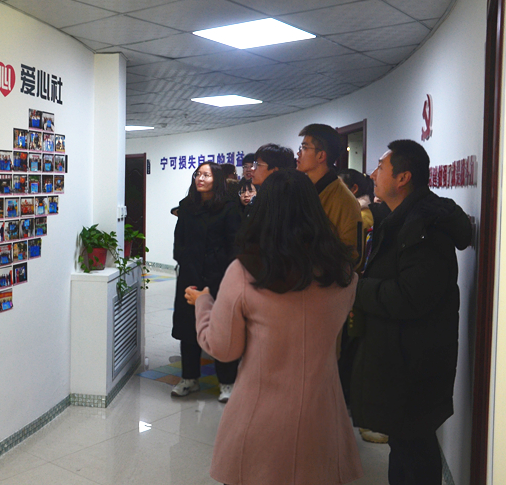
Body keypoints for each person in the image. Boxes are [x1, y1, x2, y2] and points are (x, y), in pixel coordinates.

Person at [185, 169, 362, 485]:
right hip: (323, 419)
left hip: (259, 421)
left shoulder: (246, 271)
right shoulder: (344, 274)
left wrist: (203, 303)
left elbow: (224, 348)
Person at [351, 140, 471, 485]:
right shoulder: (403, 219)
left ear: (403, 178)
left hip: (414, 362)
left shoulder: (423, 227)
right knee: (404, 445)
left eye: (381, 167)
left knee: (414, 449)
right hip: (401, 358)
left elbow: (409, 296)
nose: (373, 173)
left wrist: (357, 288)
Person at [172, 162, 242, 402]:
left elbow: (235, 244)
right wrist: (184, 259)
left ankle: (227, 382)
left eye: (206, 175)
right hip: (190, 275)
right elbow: (179, 239)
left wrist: (224, 269)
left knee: (222, 329)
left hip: (219, 277)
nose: (200, 179)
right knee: (188, 329)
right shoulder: (187, 207)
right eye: (198, 174)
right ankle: (189, 378)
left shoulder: (229, 208)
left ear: (217, 180)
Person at [296, 123, 362, 265]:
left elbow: (351, 254)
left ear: (321, 155)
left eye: (304, 148)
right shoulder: (304, 189)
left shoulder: (344, 200)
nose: (298, 153)